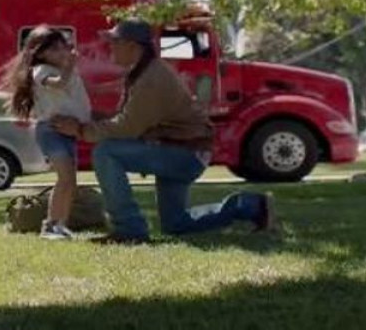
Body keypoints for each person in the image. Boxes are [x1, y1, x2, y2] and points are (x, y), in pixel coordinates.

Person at [53, 19, 279, 244]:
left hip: (184, 153)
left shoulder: (151, 78)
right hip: (181, 150)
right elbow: (129, 119)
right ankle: (251, 206)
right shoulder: (145, 71)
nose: (109, 47)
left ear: (133, 46)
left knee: (106, 152)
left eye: (115, 42)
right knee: (175, 224)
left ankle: (129, 229)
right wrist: (85, 117)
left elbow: (127, 127)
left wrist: (80, 129)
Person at [0, 25, 91, 240]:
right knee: (65, 178)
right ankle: (50, 226)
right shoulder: (41, 71)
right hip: (51, 131)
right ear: (40, 54)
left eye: (63, 47)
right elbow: (58, 85)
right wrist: (70, 65)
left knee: (70, 181)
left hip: (67, 131)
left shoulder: (67, 72)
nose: (61, 53)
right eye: (54, 49)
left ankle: (60, 225)